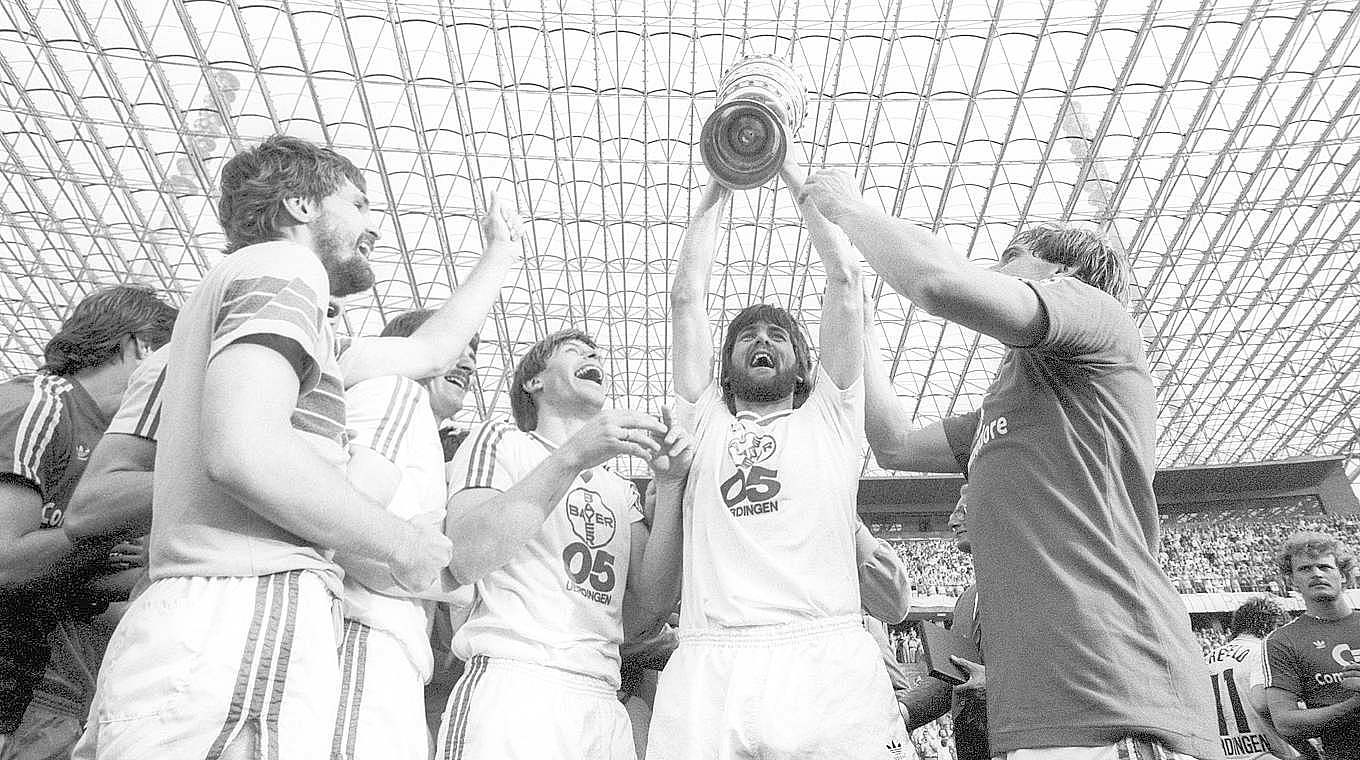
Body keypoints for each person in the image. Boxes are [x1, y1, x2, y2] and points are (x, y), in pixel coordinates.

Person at [801, 169, 1219, 758]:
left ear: (1062, 273)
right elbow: (893, 442)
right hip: (1038, 717)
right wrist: (857, 317)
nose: (994, 270)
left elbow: (937, 282)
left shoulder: (1096, 315)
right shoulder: (1016, 401)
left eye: (1011, 256)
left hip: (1119, 700)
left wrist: (847, 208)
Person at [75, 134, 451, 759]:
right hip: (244, 607)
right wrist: (403, 542)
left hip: (194, 620)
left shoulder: (210, 309)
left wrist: (500, 253)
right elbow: (245, 451)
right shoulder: (287, 265)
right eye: (358, 205)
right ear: (300, 205)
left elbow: (432, 351)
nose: (374, 228)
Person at [648, 160, 910, 759]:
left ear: (803, 365)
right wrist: (721, 181)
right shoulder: (705, 416)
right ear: (725, 364)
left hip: (826, 659)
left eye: (778, 335)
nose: (762, 339)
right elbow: (686, 298)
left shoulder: (833, 415)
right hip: (712, 657)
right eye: (747, 334)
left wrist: (786, 167)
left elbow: (846, 281)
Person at [435, 329, 691, 760]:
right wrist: (573, 455)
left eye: (594, 352)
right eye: (572, 350)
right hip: (515, 681)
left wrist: (669, 488)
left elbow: (650, 610)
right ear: (533, 382)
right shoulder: (500, 440)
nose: (592, 353)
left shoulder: (618, 488)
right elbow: (464, 556)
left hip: (600, 700)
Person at [0, 284, 177, 759]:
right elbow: (5, 564)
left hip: (23, 697)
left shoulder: (99, 442)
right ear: (142, 348)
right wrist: (100, 533)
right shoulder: (43, 405)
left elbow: (63, 584)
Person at [331, 308, 490, 760]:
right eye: (458, 347)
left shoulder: (413, 422)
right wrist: (448, 581)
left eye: (474, 354)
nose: (470, 364)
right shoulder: (397, 394)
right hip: (364, 633)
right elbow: (334, 524)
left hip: (386, 646)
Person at [1264, 531, 1360, 760]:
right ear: (1292, 581)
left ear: (1344, 576)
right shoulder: (1283, 641)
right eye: (1305, 569)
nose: (1316, 573)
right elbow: (1285, 722)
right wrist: (1355, 705)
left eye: (1325, 567)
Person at [1206, 596, 1300, 760]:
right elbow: (1267, 705)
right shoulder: (1265, 652)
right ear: (1272, 626)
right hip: (1270, 751)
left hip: (1226, 752)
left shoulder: (1207, 660)